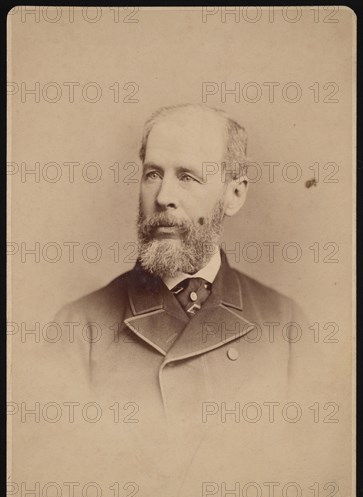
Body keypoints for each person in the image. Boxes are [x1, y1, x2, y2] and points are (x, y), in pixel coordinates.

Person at [54, 103, 308, 421]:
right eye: (153, 174)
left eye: (187, 177)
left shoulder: (286, 326)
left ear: (234, 195)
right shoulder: (78, 329)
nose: (162, 197)